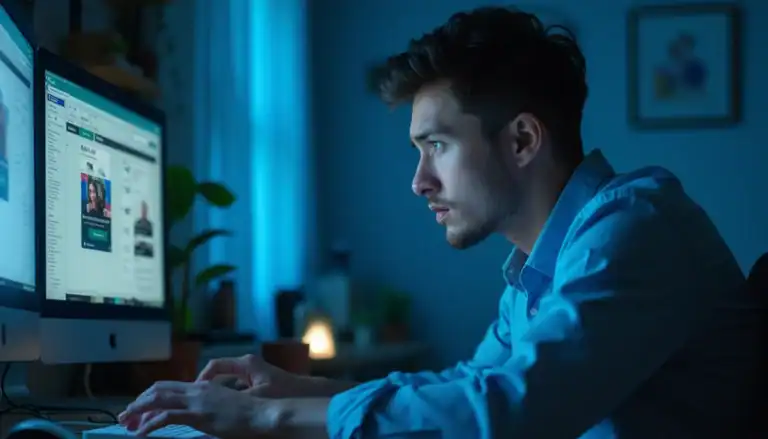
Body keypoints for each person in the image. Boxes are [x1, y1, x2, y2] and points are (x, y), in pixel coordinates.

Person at [118, 6, 764, 439]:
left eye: (438, 146)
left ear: (521, 140)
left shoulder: (633, 230)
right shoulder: (543, 267)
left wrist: (268, 416)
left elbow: (511, 408)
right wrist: (299, 385)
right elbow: (469, 384)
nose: (419, 180)